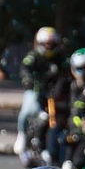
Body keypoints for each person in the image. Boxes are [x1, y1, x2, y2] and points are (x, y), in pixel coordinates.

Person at [16, 27, 62, 160]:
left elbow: (66, 71)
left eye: (51, 44)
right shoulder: (33, 56)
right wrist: (29, 80)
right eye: (46, 44)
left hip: (54, 92)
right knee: (27, 110)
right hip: (36, 90)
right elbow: (25, 70)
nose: (49, 47)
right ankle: (22, 135)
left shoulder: (59, 58)